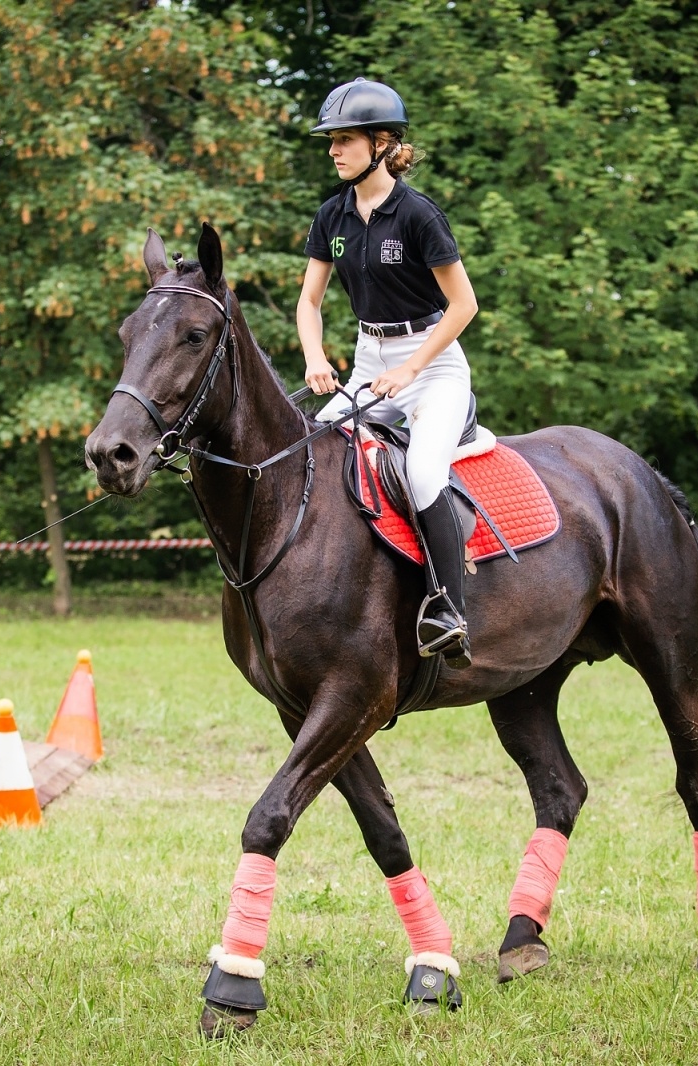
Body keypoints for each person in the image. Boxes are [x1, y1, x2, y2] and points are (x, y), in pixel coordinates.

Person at [298, 78, 481, 669]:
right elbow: (309, 301)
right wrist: (315, 358)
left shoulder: (419, 214)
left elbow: (464, 306)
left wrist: (411, 368)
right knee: (314, 446)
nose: (333, 150)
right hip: (368, 360)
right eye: (331, 141)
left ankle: (448, 610)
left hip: (433, 363)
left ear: (382, 144)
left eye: (345, 140)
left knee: (424, 473)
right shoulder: (332, 215)